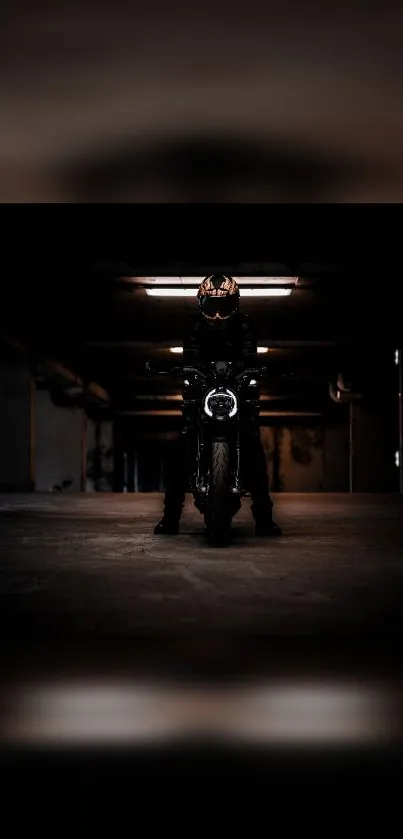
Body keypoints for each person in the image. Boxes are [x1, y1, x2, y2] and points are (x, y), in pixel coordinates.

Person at [154, 274, 282, 537]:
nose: (217, 315)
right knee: (183, 445)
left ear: (235, 304)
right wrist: (184, 371)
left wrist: (254, 372)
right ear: (202, 304)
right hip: (201, 389)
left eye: (223, 308)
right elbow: (190, 357)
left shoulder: (245, 326)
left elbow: (249, 356)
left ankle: (265, 519)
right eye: (212, 307)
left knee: (252, 445)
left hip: (238, 389)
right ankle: (170, 518)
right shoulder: (193, 327)